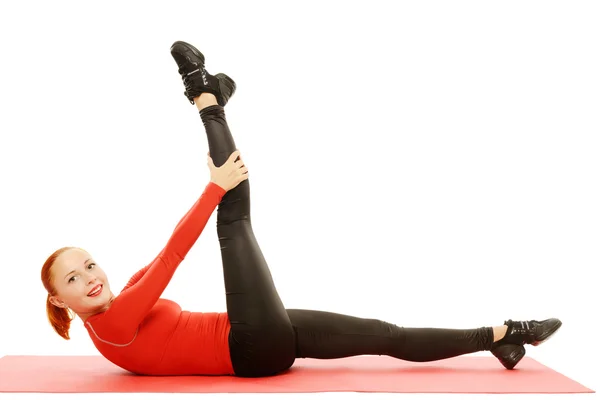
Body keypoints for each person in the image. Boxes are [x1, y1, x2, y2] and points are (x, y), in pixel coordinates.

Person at [41, 41, 562, 378]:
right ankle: (204, 95)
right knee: (234, 218)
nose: (89, 277)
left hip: (263, 331)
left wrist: (210, 186)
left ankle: (504, 336)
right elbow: (175, 257)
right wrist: (213, 187)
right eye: (72, 279)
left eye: (88, 264)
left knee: (386, 335)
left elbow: (161, 255)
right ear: (60, 302)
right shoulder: (111, 325)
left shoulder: (120, 304)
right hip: (251, 345)